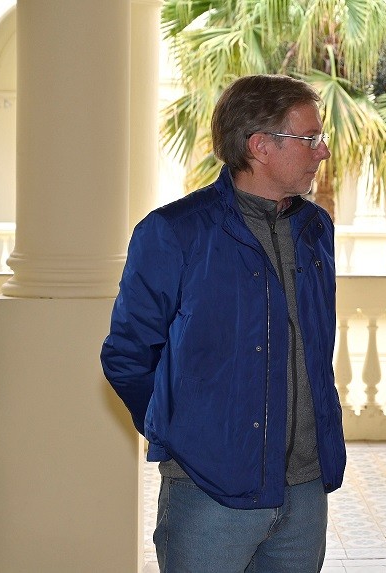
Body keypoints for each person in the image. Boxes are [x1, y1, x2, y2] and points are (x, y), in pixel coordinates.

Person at [101, 74, 346, 573]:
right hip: (208, 493)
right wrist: (187, 435)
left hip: (306, 491)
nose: (322, 151)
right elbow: (127, 356)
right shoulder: (173, 231)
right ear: (260, 146)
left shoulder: (316, 228)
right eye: (310, 138)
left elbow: (316, 347)